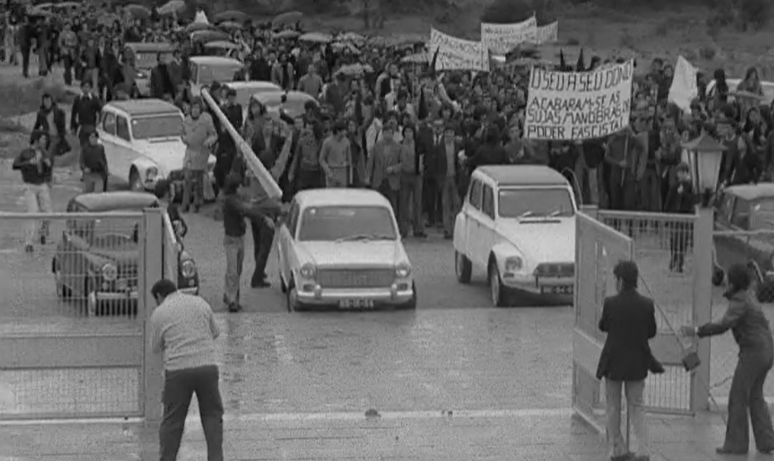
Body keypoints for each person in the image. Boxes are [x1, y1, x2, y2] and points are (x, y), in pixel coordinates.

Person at [681, 264, 774, 455]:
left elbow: (723, 326)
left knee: (738, 397)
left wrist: (697, 331)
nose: (724, 281)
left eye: (727, 279)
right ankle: (766, 441)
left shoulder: (739, 301)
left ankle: (736, 444)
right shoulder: (748, 297)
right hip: (766, 351)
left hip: (753, 353)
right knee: (755, 396)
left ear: (734, 283)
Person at [149, 279, 223, 461]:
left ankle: (167, 458)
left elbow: (156, 347)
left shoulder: (160, 312)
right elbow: (215, 332)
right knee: (213, 416)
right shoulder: (200, 303)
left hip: (178, 371)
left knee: (172, 420)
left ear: (159, 296)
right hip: (207, 367)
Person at [596, 260, 657, 461]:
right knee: (637, 405)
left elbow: (603, 326)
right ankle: (644, 450)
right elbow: (652, 332)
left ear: (620, 280)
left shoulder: (610, 303)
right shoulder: (647, 304)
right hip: (637, 362)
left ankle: (618, 448)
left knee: (613, 406)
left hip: (613, 362)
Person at [13, 130, 54, 252]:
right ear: (36, 140)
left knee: (48, 212)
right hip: (30, 185)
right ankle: (29, 242)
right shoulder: (25, 153)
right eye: (42, 139)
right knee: (33, 211)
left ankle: (43, 233)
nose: (45, 141)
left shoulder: (45, 153)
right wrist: (28, 163)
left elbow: (48, 169)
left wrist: (48, 171)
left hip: (42, 184)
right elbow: (15, 165)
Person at [181, 97, 218, 213]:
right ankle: (185, 204)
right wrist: (184, 138)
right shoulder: (186, 120)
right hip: (190, 152)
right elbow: (181, 133)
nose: (195, 110)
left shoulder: (206, 120)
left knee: (198, 180)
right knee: (187, 178)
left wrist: (209, 142)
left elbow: (214, 135)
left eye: (197, 107)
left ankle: (198, 202)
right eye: (193, 107)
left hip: (201, 152)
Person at [663, 162, 694, 273]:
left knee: (683, 241)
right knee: (674, 239)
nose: (678, 175)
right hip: (675, 217)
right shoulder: (674, 185)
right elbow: (669, 200)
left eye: (680, 172)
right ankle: (673, 258)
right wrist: (666, 215)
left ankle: (680, 263)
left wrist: (683, 194)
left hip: (685, 217)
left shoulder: (690, 186)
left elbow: (692, 200)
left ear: (685, 173)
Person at [70, 79, 102, 148]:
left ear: (90, 88)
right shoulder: (78, 99)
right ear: (81, 88)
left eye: (87, 87)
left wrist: (99, 122)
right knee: (83, 146)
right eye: (84, 87)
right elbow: (74, 113)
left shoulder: (94, 99)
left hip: (91, 126)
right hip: (82, 126)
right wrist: (72, 127)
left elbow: (100, 111)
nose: (86, 89)